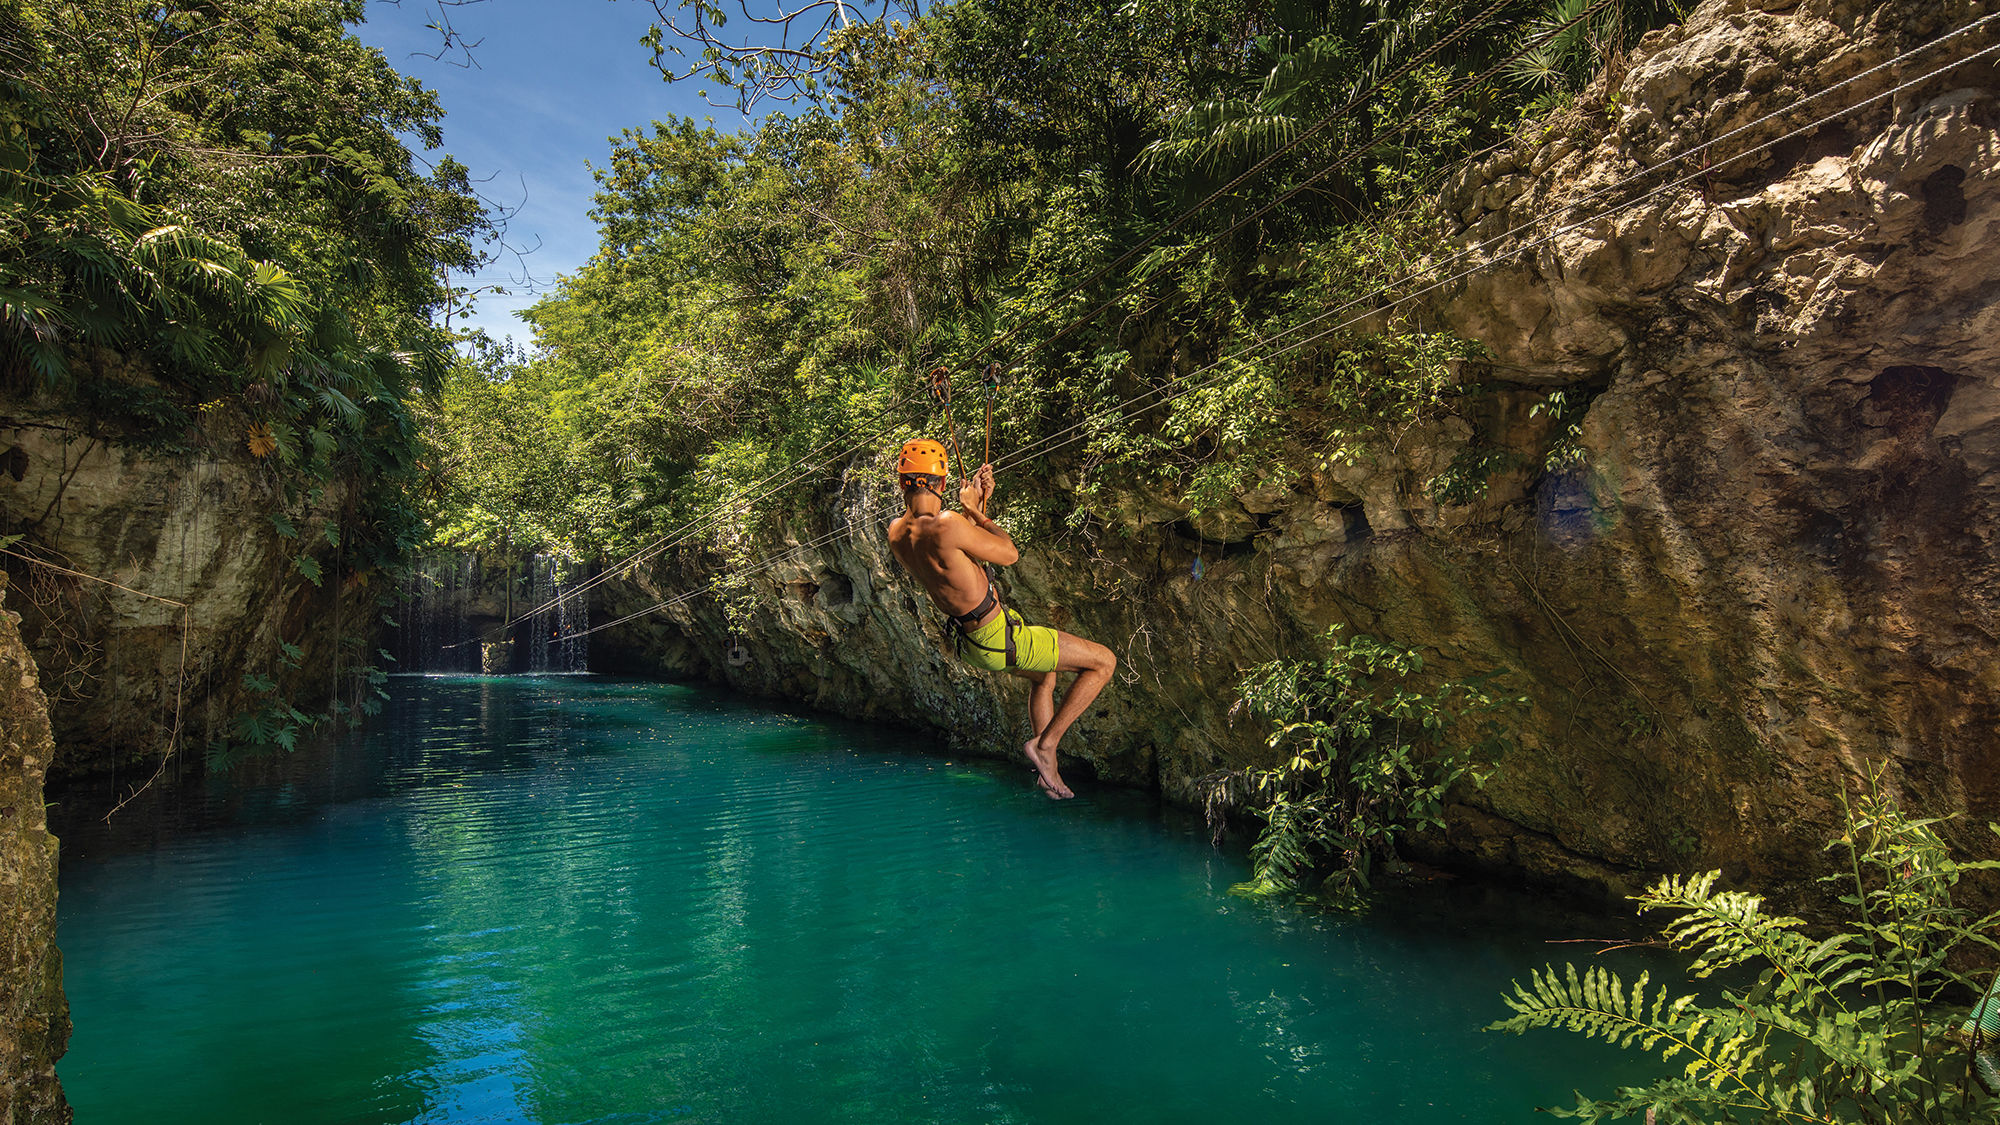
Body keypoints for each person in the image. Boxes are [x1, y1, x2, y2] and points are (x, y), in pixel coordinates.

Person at [886, 438, 1117, 800]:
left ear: (902, 482)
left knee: (1045, 676)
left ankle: (1047, 766)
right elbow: (1008, 554)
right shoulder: (949, 523)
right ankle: (1046, 745)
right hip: (998, 636)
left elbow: (957, 560)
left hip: (973, 642)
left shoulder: (897, 532)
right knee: (1103, 661)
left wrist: (976, 506)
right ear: (943, 484)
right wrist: (976, 512)